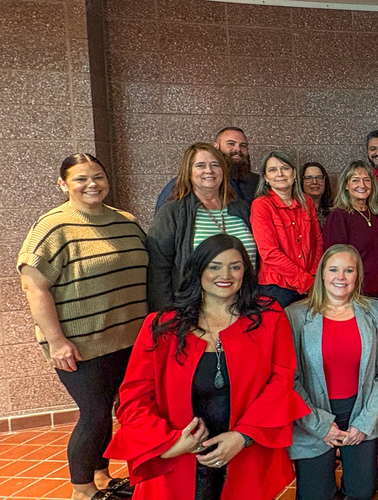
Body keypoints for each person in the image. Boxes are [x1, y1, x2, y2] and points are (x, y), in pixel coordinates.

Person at [105, 234, 309, 500]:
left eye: (235, 266)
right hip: (181, 458)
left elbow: (280, 381)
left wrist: (243, 436)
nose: (226, 274)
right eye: (214, 266)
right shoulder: (163, 326)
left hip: (245, 452)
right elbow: (134, 397)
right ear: (197, 269)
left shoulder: (268, 317)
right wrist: (169, 443)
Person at [18, 153, 148, 500]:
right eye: (81, 178)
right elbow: (33, 285)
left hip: (131, 339)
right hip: (81, 344)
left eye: (98, 177)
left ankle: (102, 476)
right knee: (94, 414)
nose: (92, 184)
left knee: (120, 412)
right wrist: (56, 341)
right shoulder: (53, 226)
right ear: (64, 184)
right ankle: (82, 489)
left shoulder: (126, 221)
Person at [287, 245, 378, 500]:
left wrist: (365, 422)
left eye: (349, 270)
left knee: (362, 492)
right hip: (312, 414)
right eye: (334, 269)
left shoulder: (374, 311)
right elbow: (290, 379)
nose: (341, 277)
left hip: (359, 410)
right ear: (322, 274)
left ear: (357, 275)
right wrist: (320, 426)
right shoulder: (296, 316)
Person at [147, 143, 256, 312]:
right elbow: (158, 270)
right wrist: (167, 315)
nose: (209, 171)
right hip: (193, 310)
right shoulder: (172, 212)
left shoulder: (242, 208)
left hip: (242, 306)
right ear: (188, 172)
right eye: (200, 165)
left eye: (215, 165)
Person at [251, 151, 323, 307]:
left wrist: (313, 276)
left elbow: (317, 240)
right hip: (277, 287)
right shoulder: (261, 205)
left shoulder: (306, 201)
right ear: (265, 178)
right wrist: (304, 280)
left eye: (285, 168)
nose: (280, 174)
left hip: (309, 284)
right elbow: (269, 252)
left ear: (294, 173)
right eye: (272, 170)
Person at [323, 161, 378, 298]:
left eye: (366, 180)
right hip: (354, 292)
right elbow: (335, 261)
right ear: (346, 185)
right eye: (355, 180)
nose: (362, 185)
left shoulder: (375, 214)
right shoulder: (338, 216)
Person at [156, 127, 258, 211]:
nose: (237, 149)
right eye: (231, 143)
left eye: (243, 145)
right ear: (215, 146)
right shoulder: (183, 184)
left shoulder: (257, 182)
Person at [300, 162, 334, 228]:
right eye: (308, 178)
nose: (315, 182)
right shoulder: (297, 210)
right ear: (301, 182)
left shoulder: (334, 210)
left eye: (319, 177)